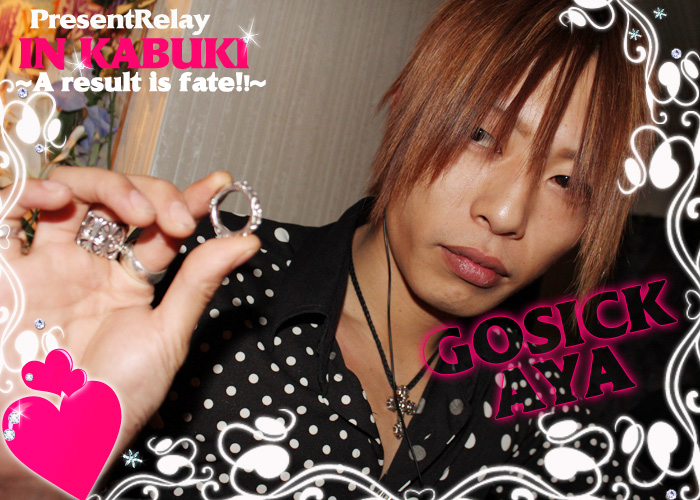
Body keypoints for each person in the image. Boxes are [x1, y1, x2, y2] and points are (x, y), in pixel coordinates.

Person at [0, 0, 653, 498]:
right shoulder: (182, 292)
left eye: (569, 182)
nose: (507, 214)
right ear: (408, 109)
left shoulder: (560, 418)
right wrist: (32, 469)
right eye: (483, 134)